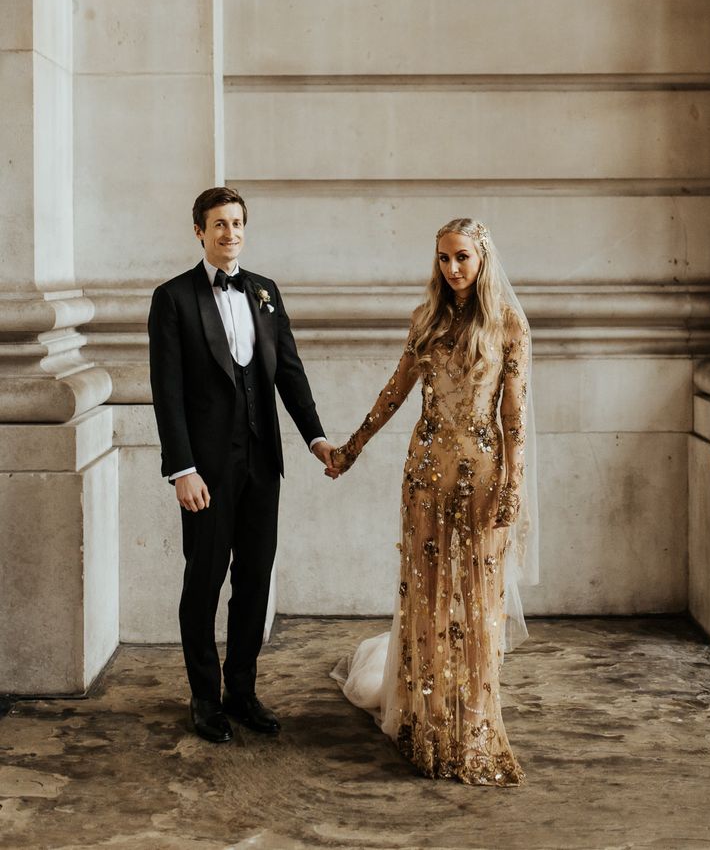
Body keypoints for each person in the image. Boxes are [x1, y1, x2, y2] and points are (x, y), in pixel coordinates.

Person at [326, 217, 538, 786]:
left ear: (483, 258)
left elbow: (514, 420)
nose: (452, 269)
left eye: (462, 258)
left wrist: (513, 486)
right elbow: (395, 391)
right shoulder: (426, 320)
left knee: (476, 603)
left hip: (482, 477)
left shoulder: (509, 325)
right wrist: (351, 447)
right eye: (443, 259)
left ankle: (472, 724)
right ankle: (426, 721)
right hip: (424, 476)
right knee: (427, 599)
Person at [148, 186, 335, 743]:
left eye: (237, 223)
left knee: (255, 580)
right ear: (199, 232)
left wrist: (316, 438)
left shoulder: (265, 292)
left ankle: (243, 691)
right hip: (206, 470)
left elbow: (290, 374)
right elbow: (168, 392)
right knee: (203, 581)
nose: (229, 233)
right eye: (218, 225)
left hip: (262, 463)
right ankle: (205, 699)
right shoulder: (173, 298)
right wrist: (182, 469)